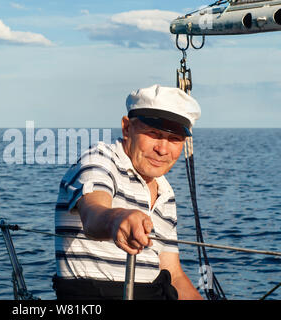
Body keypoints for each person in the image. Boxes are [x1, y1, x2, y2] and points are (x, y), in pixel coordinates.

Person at [53, 84, 203, 300]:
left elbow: (175, 275)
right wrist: (118, 219)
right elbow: (93, 214)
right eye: (153, 133)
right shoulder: (100, 160)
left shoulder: (165, 192)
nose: (162, 149)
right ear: (126, 128)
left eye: (174, 139)